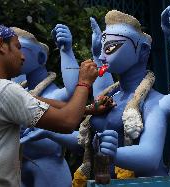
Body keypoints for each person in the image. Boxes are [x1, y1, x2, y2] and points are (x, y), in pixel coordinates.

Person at [0, 22, 111, 187]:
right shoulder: (2, 90)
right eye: (17, 47)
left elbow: (38, 102)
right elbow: (67, 122)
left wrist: (89, 109)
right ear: (1, 45)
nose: (22, 56)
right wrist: (84, 82)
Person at [69, 3, 170, 179]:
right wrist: (45, 129)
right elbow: (83, 142)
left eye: (110, 47)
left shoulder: (154, 103)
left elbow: (150, 156)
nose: (102, 56)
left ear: (143, 50)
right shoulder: (109, 97)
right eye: (102, 49)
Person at [10, 26, 118, 187]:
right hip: (18, 168)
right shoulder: (14, 92)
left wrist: (66, 50)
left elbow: (73, 91)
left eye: (21, 48)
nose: (18, 55)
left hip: (48, 168)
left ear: (40, 57)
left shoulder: (51, 95)